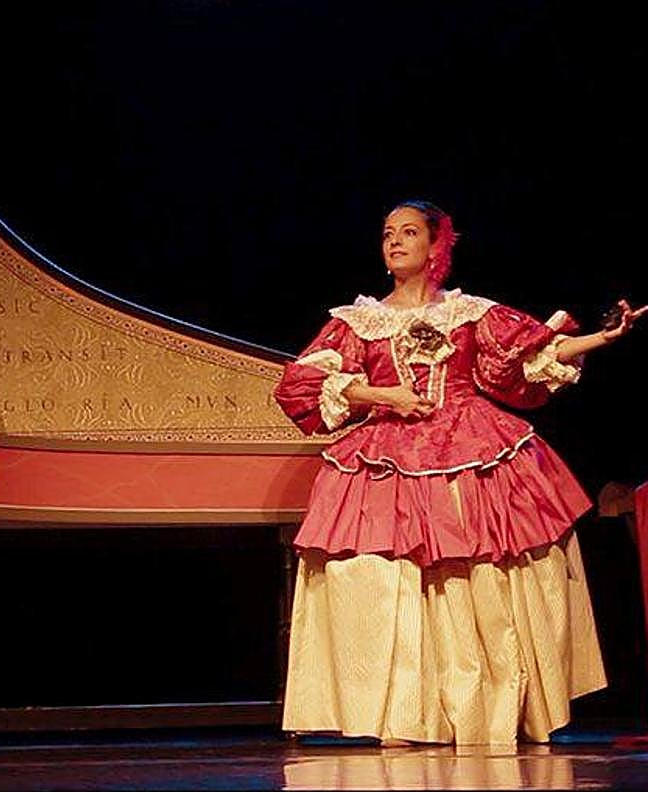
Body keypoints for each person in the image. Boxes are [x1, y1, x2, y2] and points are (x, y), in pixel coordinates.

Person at [272, 201, 645, 745]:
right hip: (388, 452)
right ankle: (404, 714)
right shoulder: (358, 322)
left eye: (408, 232)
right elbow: (301, 385)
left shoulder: (469, 312)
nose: (394, 241)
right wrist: (386, 396)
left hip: (470, 444)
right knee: (387, 575)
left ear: (436, 246)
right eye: (387, 233)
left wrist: (603, 339)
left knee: (479, 576)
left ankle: (481, 707)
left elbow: (531, 355)